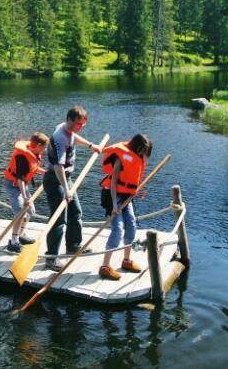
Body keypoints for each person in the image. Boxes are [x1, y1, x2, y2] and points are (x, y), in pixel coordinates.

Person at [42, 106, 103, 271]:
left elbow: (74, 137)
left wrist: (91, 145)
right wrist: (66, 189)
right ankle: (51, 258)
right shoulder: (60, 137)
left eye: (83, 125)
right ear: (69, 120)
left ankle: (73, 246)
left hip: (65, 179)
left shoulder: (66, 128)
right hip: (56, 180)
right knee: (58, 219)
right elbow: (58, 166)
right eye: (78, 124)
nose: (80, 127)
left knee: (75, 212)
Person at [98, 133, 153, 280]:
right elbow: (114, 182)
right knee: (118, 228)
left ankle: (126, 260)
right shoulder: (121, 156)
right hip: (112, 194)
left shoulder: (137, 158)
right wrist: (114, 206)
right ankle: (104, 267)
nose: (145, 155)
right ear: (137, 147)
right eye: (144, 150)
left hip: (126, 196)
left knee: (132, 224)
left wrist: (137, 190)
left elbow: (131, 179)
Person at [3, 133, 49, 253]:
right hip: (13, 186)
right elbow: (20, 179)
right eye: (44, 148)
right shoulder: (22, 157)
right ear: (38, 145)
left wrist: (47, 172)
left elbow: (33, 168)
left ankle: (21, 234)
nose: (44, 151)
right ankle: (13, 242)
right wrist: (25, 198)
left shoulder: (33, 153)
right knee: (20, 212)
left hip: (22, 185)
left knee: (30, 211)